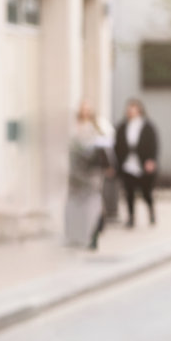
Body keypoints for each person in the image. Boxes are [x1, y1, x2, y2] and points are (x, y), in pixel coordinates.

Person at [63, 102, 110, 250]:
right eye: (83, 110)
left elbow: (105, 149)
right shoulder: (73, 128)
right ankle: (76, 236)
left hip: (92, 174)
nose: (85, 112)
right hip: (76, 174)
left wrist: (107, 165)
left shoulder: (98, 128)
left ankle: (93, 237)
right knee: (75, 206)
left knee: (93, 205)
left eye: (88, 110)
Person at [113, 98, 159, 228]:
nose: (131, 112)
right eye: (129, 110)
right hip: (128, 163)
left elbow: (153, 145)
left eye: (133, 110)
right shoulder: (122, 127)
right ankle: (131, 218)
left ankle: (151, 213)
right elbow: (117, 146)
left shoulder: (147, 126)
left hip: (142, 162)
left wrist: (151, 160)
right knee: (129, 192)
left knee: (146, 192)